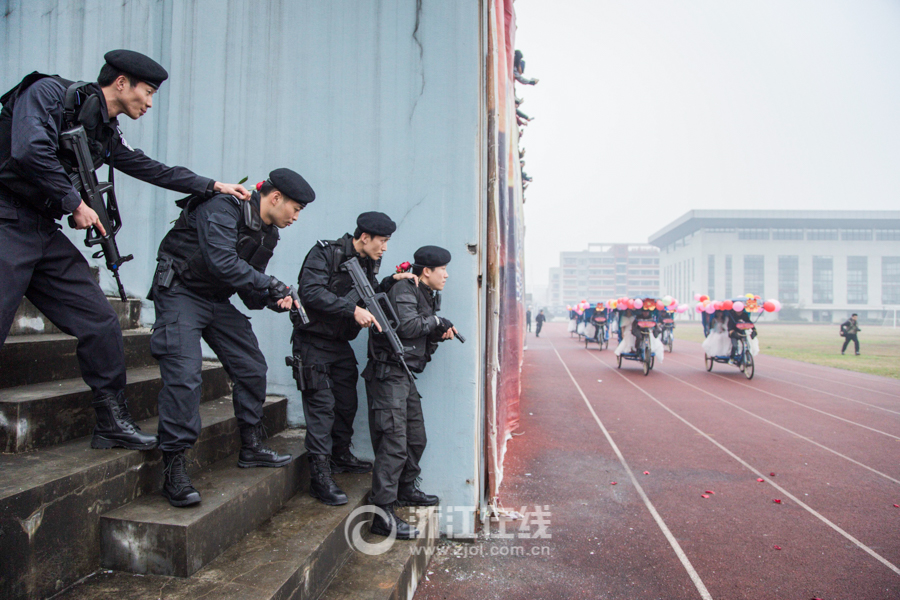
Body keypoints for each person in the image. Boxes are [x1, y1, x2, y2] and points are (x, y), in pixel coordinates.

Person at [0, 50, 249, 452]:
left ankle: (111, 422)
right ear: (120, 83)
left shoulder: (104, 129)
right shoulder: (48, 93)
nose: (149, 103)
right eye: (147, 93)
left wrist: (212, 185)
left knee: (101, 321)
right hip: (6, 216)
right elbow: (29, 150)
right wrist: (74, 203)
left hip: (41, 228)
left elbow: (149, 167)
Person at [149, 168, 311, 507]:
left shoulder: (268, 234)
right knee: (185, 376)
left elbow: (250, 291)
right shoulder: (223, 207)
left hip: (214, 299)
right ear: (275, 197)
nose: (296, 216)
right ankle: (173, 468)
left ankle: (251, 446)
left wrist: (276, 299)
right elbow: (222, 262)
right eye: (295, 208)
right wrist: (271, 285)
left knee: (251, 366)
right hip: (180, 291)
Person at [291, 212, 417, 506]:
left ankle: (341, 455)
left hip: (338, 344)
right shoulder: (326, 253)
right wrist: (351, 312)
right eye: (382, 241)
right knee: (322, 409)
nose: (384, 248)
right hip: (313, 342)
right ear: (364, 238)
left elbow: (367, 293)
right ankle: (320, 476)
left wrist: (389, 281)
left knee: (347, 403)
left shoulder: (368, 263)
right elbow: (310, 292)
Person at [363, 245, 457, 539]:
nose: (447, 275)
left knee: (415, 438)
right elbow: (405, 325)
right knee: (393, 442)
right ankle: (382, 514)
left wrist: (436, 333)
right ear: (427, 271)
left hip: (402, 375)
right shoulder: (405, 288)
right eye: (443, 270)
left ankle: (405, 490)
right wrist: (437, 322)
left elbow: (417, 333)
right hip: (388, 375)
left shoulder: (424, 293)